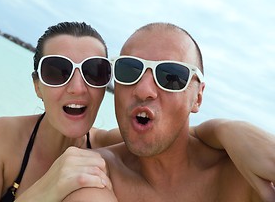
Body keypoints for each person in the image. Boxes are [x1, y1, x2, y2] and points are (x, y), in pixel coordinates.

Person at [63, 22, 275, 202]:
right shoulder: (92, 176)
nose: (144, 90)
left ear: (198, 98)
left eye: (170, 76)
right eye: (129, 70)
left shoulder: (245, 177)